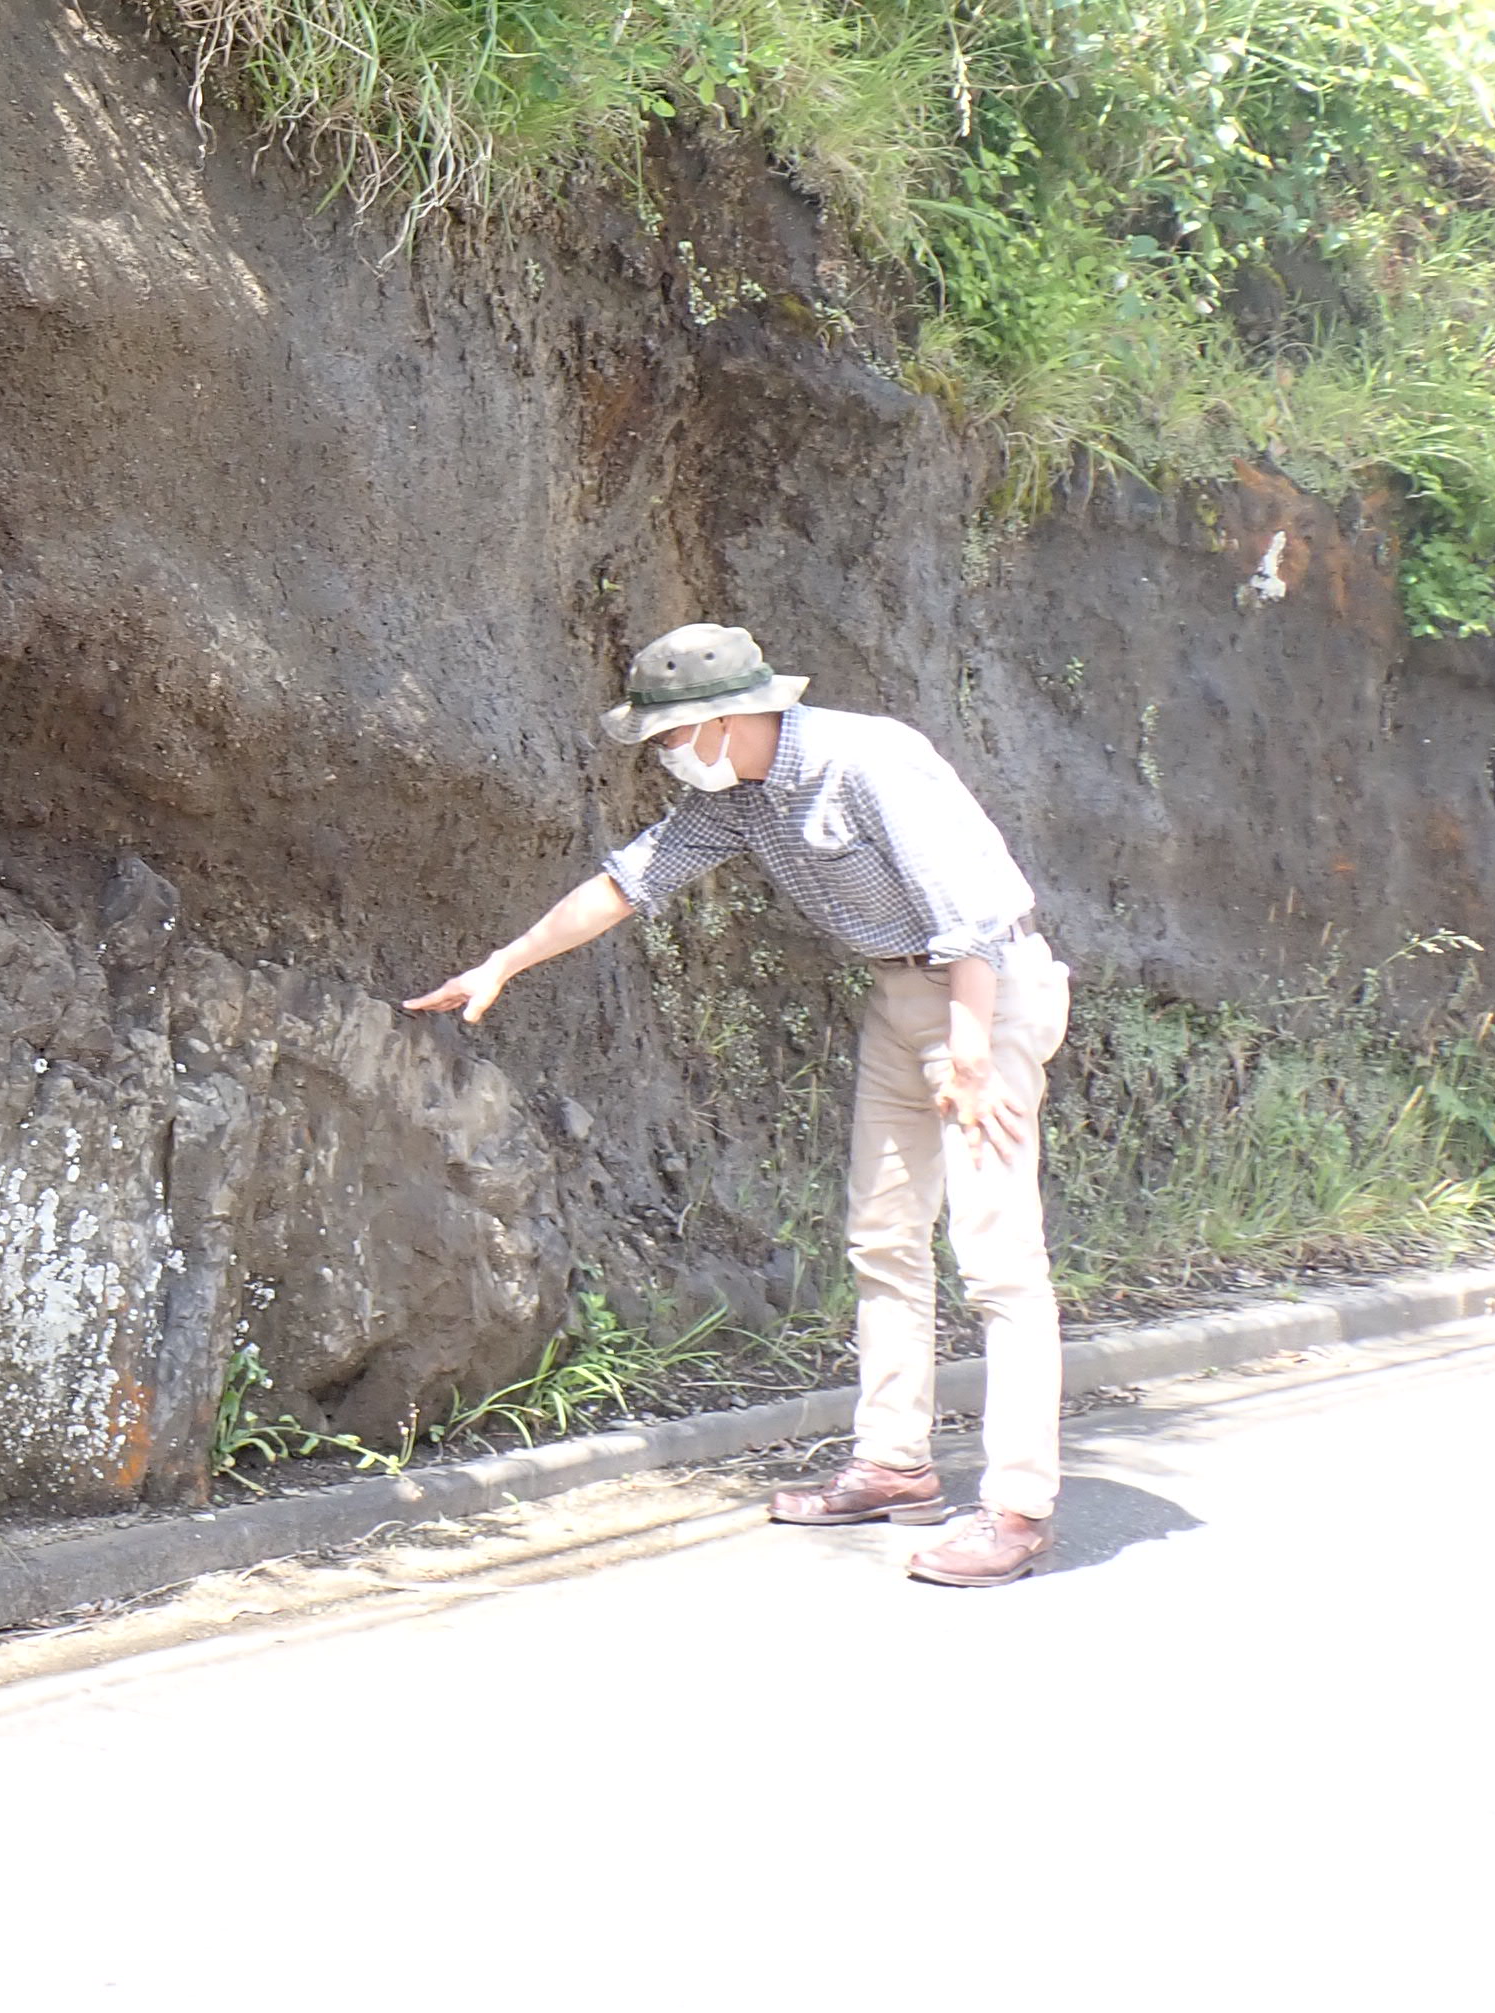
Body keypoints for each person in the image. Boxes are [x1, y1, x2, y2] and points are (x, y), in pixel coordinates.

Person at [403, 622, 1073, 1586]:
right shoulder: (743, 800)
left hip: (986, 992)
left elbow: (967, 914)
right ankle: (894, 1463)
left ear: (725, 719)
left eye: (670, 738)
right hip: (901, 997)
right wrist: (503, 961)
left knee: (998, 1258)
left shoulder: (870, 759)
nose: (667, 757)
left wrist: (970, 1051)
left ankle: (1017, 1507)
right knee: (882, 1237)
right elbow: (625, 885)